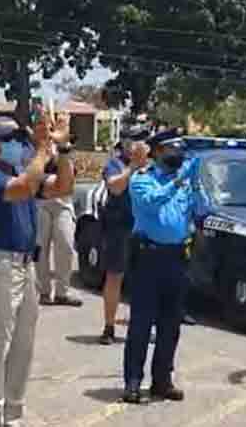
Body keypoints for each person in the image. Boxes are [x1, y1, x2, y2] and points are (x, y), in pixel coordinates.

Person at [0, 113, 74, 427]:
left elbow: (64, 186)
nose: (19, 146)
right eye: (13, 140)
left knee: (21, 351)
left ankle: (12, 418)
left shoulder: (22, 172)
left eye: (21, 141)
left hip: (23, 267)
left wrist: (63, 149)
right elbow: (25, 186)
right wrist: (43, 148)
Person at [123, 128, 203, 404]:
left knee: (171, 324)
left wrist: (197, 185)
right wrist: (179, 182)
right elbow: (151, 203)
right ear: (157, 152)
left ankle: (162, 381)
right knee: (142, 324)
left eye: (181, 150)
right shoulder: (142, 179)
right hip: (148, 257)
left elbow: (200, 211)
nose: (178, 154)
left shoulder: (184, 183)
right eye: (172, 149)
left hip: (177, 257)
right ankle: (133, 382)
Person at [98, 126, 150, 345]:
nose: (139, 144)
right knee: (114, 276)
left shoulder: (153, 167)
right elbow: (115, 188)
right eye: (134, 140)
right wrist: (132, 167)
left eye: (142, 140)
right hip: (120, 227)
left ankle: (142, 327)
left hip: (145, 228)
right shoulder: (115, 164)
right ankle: (109, 327)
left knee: (146, 280)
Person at [35, 140, 82, 307]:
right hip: (40, 202)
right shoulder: (37, 143)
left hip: (63, 202)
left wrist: (61, 154)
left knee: (66, 244)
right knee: (41, 249)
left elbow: (71, 175)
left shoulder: (64, 145)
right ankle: (43, 291)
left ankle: (63, 292)